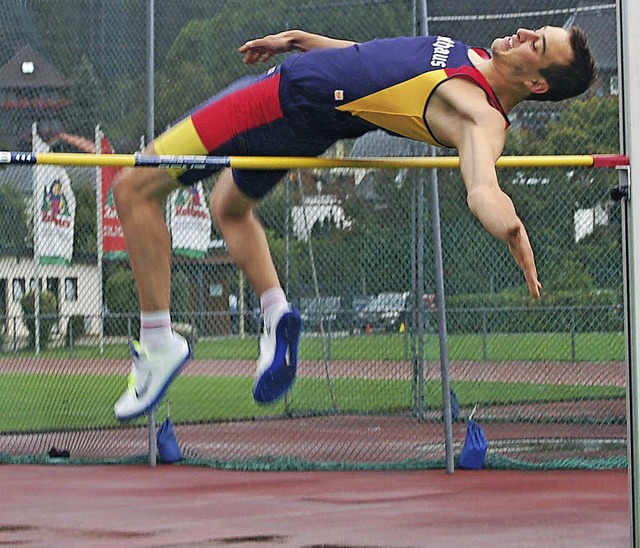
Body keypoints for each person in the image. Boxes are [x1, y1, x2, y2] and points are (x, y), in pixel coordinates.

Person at [112, 26, 597, 421]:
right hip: (309, 109)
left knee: (133, 189)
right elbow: (371, 62)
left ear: (537, 84)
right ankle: (276, 312)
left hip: (282, 101)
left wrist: (511, 226)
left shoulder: (480, 115)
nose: (523, 32)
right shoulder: (472, 57)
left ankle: (159, 342)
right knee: (229, 208)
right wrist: (304, 41)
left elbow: (482, 186)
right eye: (536, 31)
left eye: (537, 44)